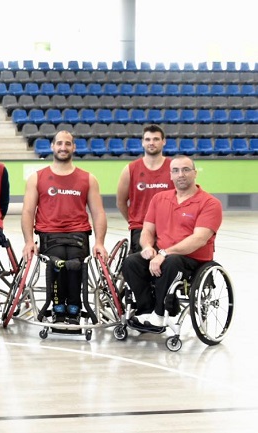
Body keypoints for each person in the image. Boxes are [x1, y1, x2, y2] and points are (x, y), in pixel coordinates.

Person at [121, 156, 222, 330]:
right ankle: (146, 309)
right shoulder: (159, 199)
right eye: (175, 170)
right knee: (132, 262)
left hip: (191, 259)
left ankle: (160, 314)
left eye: (185, 170)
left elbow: (199, 239)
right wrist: (146, 247)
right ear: (170, 175)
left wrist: (164, 253)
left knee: (171, 263)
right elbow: (147, 231)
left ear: (195, 173)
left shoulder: (210, 203)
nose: (180, 174)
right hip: (162, 255)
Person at [21, 131, 108, 324]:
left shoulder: (88, 179)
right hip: (49, 233)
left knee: (75, 261)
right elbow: (27, 211)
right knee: (59, 259)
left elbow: (98, 212)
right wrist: (28, 241)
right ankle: (58, 306)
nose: (63, 147)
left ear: (74, 148)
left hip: (78, 234)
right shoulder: (37, 177)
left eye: (67, 144)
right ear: (52, 146)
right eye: (59, 143)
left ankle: (75, 306)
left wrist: (100, 242)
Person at [116, 124, 173, 254]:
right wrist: (135, 220)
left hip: (168, 228)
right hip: (140, 228)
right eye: (147, 139)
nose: (151, 143)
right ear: (142, 142)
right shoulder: (130, 169)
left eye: (156, 139)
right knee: (141, 264)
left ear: (163, 142)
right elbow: (121, 202)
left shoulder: (173, 168)